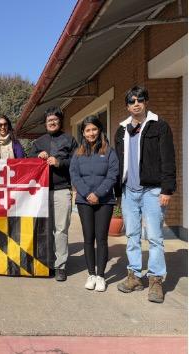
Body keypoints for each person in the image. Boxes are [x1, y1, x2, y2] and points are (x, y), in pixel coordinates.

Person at [115, 86, 176, 303]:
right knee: (132, 235)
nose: (136, 103)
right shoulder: (121, 130)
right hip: (129, 191)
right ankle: (134, 276)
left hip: (153, 191)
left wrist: (167, 189)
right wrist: (118, 191)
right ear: (127, 105)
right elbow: (119, 163)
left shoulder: (159, 126)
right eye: (131, 101)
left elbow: (168, 159)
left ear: (146, 102)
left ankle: (156, 281)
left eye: (140, 99)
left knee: (154, 237)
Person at [69, 116, 119, 292]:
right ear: (83, 133)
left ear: (100, 130)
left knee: (102, 238)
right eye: (87, 130)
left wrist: (98, 194)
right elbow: (74, 175)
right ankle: (91, 274)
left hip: (105, 201)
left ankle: (101, 276)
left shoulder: (110, 152)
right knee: (88, 238)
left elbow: (113, 175)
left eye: (94, 129)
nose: (91, 133)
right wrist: (87, 194)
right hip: (84, 201)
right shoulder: (78, 153)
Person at [29, 107, 78, 281]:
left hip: (62, 190)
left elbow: (76, 162)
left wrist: (59, 162)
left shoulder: (69, 139)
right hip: (41, 192)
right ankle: (47, 263)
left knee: (61, 229)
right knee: (45, 229)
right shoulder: (38, 142)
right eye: (49, 120)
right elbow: (27, 163)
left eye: (55, 119)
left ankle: (61, 265)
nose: (52, 122)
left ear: (60, 121)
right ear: (45, 122)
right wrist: (37, 157)